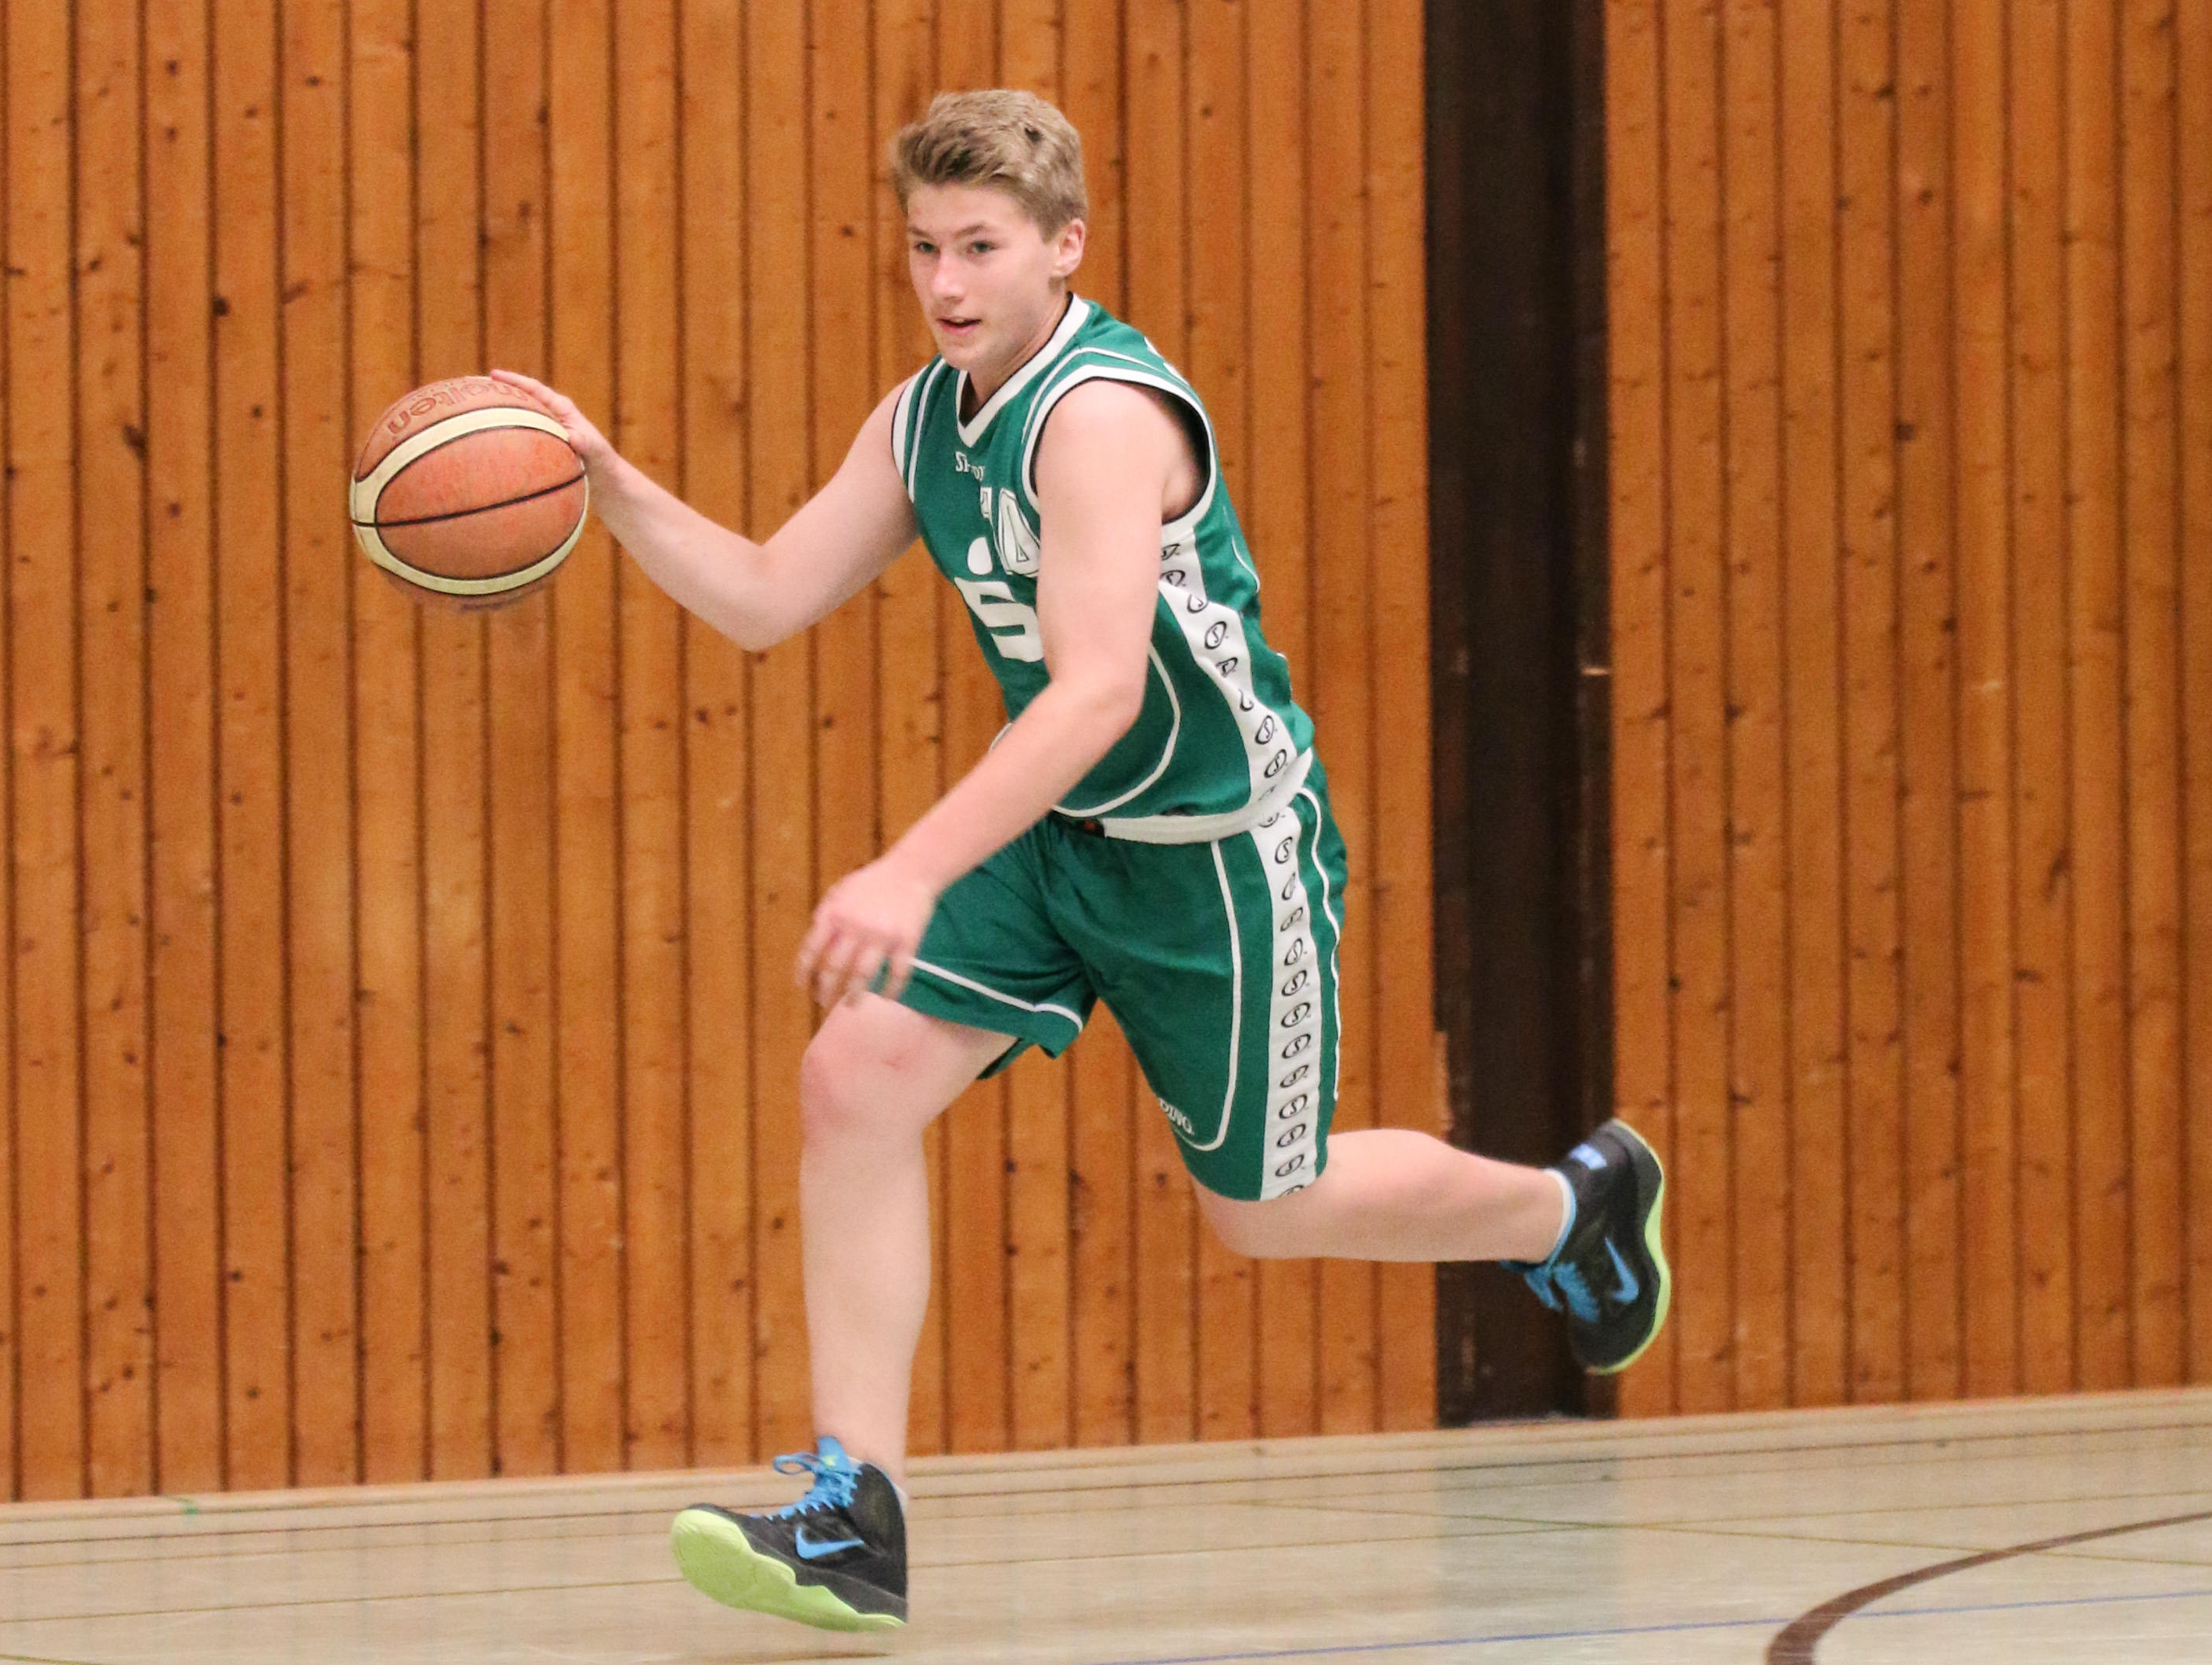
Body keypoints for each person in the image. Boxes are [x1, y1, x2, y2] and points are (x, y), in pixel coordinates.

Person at [489, 88, 1671, 1635]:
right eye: (924, 246)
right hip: (1058, 841)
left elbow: (1101, 689)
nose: (945, 281)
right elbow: (769, 595)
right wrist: (605, 480)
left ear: (1065, 247)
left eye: (979, 246)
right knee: (853, 1079)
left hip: (1214, 860)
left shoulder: (1100, 418)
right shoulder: (923, 418)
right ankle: (856, 1513)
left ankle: (1568, 1209)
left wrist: (910, 866)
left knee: (1267, 1209)